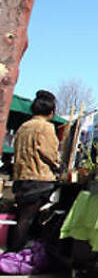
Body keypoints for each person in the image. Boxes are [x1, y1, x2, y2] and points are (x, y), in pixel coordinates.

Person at [9, 90, 60, 251]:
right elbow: (49, 154)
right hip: (39, 179)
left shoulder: (23, 127)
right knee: (29, 219)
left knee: (22, 216)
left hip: (21, 177)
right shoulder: (46, 127)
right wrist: (59, 166)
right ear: (51, 112)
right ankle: (16, 252)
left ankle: (16, 249)